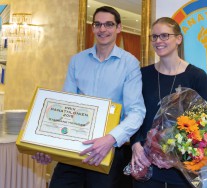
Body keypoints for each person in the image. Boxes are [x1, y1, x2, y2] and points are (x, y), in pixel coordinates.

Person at [33, 6, 145, 188]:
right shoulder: (77, 61)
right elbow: (64, 106)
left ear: (118, 28)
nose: (103, 29)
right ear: (92, 28)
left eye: (109, 24)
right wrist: (48, 147)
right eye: (98, 24)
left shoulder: (130, 63)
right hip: (75, 149)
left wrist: (110, 139)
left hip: (109, 151)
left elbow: (136, 112)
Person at [130, 17, 207, 188]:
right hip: (146, 163)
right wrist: (135, 144)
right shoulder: (142, 74)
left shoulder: (197, 76)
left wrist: (178, 152)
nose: (158, 41)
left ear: (178, 39)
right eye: (154, 37)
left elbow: (205, 122)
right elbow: (133, 113)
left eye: (164, 36)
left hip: (182, 168)